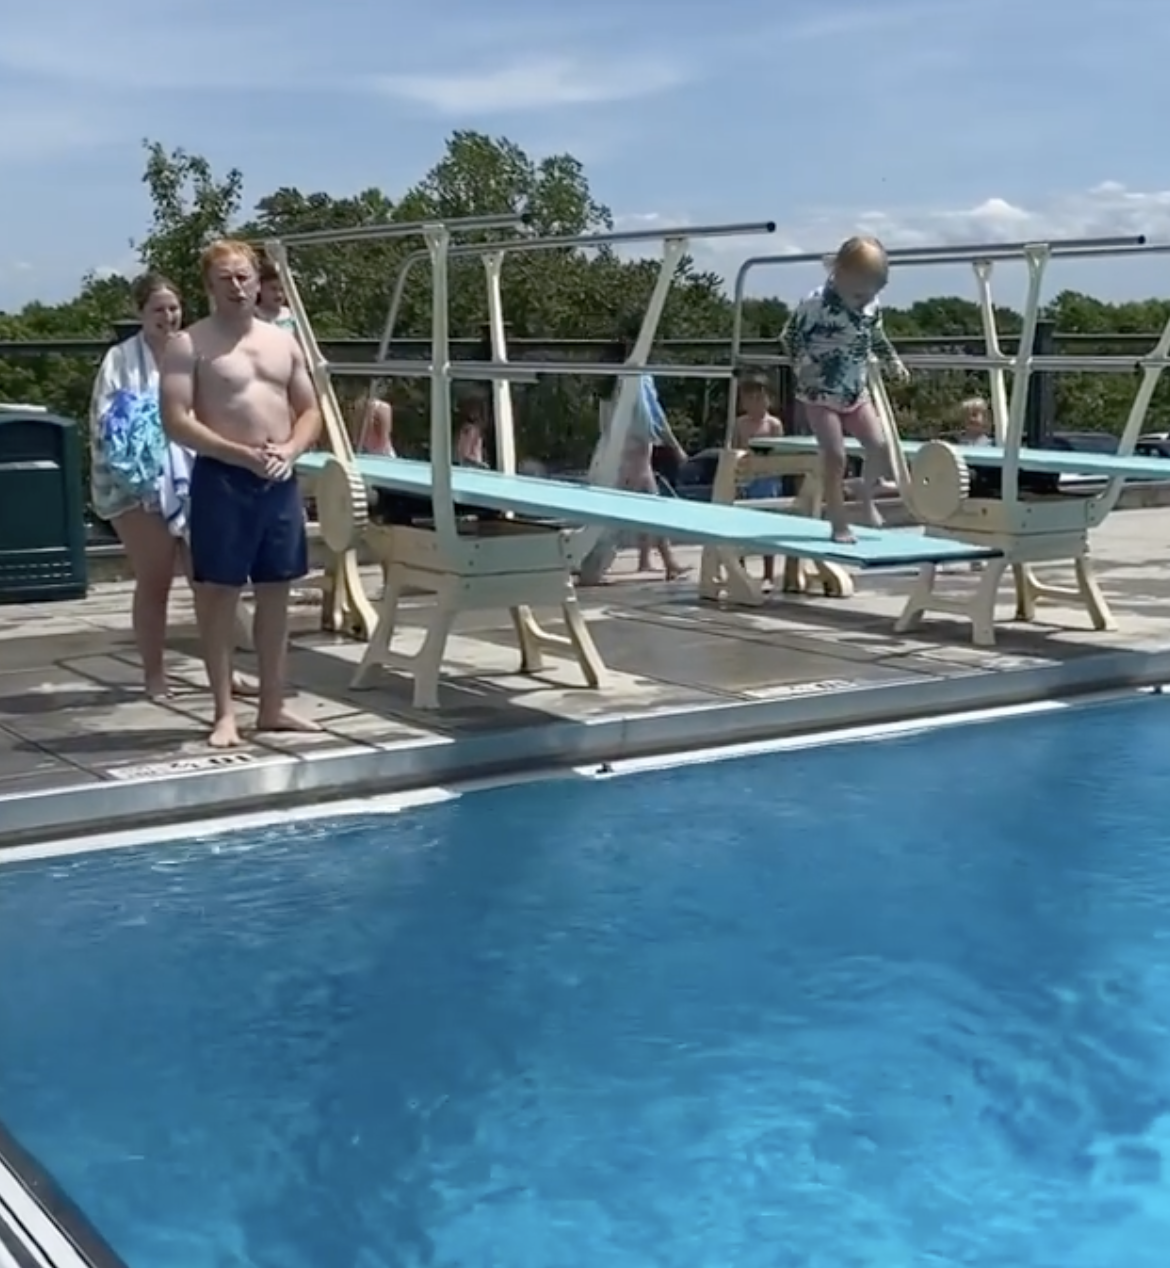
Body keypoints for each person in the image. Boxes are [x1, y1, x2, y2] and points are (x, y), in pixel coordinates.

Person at [160, 239, 322, 748]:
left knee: (278, 592)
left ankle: (273, 705)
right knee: (219, 598)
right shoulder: (190, 345)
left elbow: (310, 410)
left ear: (257, 281)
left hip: (277, 479)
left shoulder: (283, 342)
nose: (237, 286)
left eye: (244, 276)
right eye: (226, 278)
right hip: (223, 479)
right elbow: (176, 421)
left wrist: (291, 450)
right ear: (209, 287)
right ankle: (225, 713)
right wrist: (238, 453)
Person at [89, 273, 255, 701]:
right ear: (141, 313)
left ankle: (224, 674)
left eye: (173, 308)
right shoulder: (120, 360)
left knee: (210, 582)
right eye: (157, 309)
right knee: (156, 578)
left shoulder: (196, 351)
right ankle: (154, 676)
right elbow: (109, 422)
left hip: (198, 476)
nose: (167, 316)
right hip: (137, 484)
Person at [782, 234, 909, 543]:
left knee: (880, 447)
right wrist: (802, 364)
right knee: (835, 456)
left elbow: (876, 337)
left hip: (855, 390)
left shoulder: (870, 304)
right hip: (819, 392)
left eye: (869, 295)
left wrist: (893, 361)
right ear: (837, 275)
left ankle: (865, 495)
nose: (863, 301)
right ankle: (839, 522)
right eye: (857, 295)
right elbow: (788, 336)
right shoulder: (815, 304)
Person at [733, 376, 786, 585]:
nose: (755, 403)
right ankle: (740, 570)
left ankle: (768, 574)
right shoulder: (740, 423)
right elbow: (736, 448)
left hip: (766, 479)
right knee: (740, 526)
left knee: (766, 526)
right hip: (745, 478)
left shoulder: (773, 424)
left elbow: (780, 453)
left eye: (759, 398)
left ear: (768, 400)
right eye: (750, 399)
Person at [256, 257, 297, 331]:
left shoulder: (290, 314)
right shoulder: (253, 315)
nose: (279, 294)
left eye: (282, 289)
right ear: (259, 287)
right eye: (273, 289)